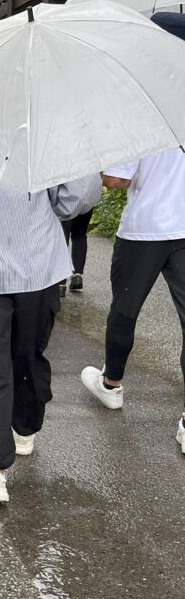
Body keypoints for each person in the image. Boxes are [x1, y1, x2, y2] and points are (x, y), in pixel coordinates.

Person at [0, 176, 102, 503]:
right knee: (28, 352)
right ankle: (24, 428)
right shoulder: (44, 128)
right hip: (39, 262)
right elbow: (79, 194)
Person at [80, 147, 185, 455]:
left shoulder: (143, 118)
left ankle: (111, 384)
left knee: (125, 311)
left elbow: (115, 180)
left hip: (144, 230)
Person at [58, 208, 93, 296]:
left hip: (66, 202)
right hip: (85, 200)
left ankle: (60, 283)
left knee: (62, 238)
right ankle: (77, 275)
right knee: (79, 234)